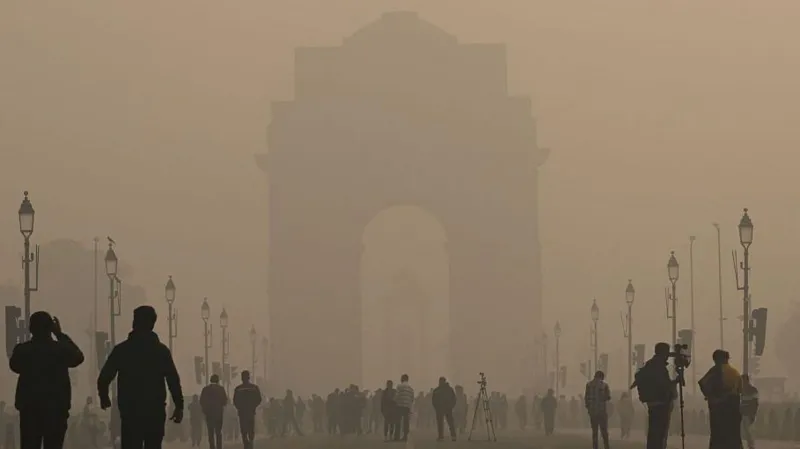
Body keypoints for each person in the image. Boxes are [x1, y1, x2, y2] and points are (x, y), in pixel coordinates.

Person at [98, 305, 184, 449]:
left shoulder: (122, 350)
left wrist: (104, 396)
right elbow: (173, 380)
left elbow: (104, 377)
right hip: (154, 409)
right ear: (152, 324)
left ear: (134, 323)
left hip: (130, 410)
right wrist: (179, 405)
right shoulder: (161, 351)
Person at [10, 312, 84, 449]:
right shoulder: (60, 350)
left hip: (30, 409)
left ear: (31, 328)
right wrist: (60, 335)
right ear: (51, 328)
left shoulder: (23, 350)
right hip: (56, 409)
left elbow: (14, 366)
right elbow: (78, 357)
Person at [633, 342, 676, 449]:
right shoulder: (659, 366)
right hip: (661, 404)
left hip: (652, 403)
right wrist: (675, 382)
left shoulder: (650, 364)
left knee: (654, 433)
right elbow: (664, 384)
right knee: (659, 434)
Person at [699, 349, 742, 449]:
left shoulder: (715, 370)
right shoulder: (735, 372)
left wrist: (709, 396)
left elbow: (703, 383)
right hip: (734, 409)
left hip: (718, 408)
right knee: (733, 435)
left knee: (718, 436)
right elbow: (740, 390)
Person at [233, 371, 262, 448]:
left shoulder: (238, 389)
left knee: (243, 429)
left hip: (242, 413)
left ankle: (246, 443)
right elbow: (259, 399)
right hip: (251, 412)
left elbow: (235, 401)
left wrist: (239, 407)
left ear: (242, 378)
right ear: (249, 377)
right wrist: (253, 406)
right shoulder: (254, 388)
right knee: (251, 428)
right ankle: (251, 442)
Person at [585, 371, 611, 449]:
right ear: (601, 377)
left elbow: (586, 398)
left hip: (593, 412)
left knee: (595, 431)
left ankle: (595, 447)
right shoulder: (604, 385)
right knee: (604, 431)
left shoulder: (589, 385)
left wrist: (589, 408)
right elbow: (608, 397)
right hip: (602, 411)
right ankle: (606, 446)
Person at [200, 375, 227, 449]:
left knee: (210, 432)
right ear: (218, 380)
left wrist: (205, 411)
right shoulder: (221, 389)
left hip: (209, 414)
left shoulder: (205, 389)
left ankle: (212, 446)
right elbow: (225, 401)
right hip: (218, 414)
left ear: (210, 380)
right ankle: (219, 447)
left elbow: (202, 401)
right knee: (218, 432)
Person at [432, 377, 457, 441]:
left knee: (449, 422)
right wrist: (436, 407)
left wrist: (451, 406)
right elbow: (433, 400)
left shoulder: (439, 390)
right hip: (442, 408)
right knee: (445, 423)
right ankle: (443, 436)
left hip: (446, 408)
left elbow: (454, 399)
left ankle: (451, 436)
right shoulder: (439, 390)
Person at [393, 374, 414, 442]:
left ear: (402, 379)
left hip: (399, 405)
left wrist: (395, 402)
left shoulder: (399, 386)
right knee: (406, 421)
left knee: (398, 421)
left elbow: (397, 395)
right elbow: (412, 398)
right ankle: (405, 436)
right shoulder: (410, 388)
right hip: (407, 406)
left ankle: (397, 437)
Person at [740, 374, 759, 449]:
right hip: (743, 414)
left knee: (748, 432)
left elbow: (755, 404)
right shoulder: (742, 390)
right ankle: (750, 446)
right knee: (745, 432)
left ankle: (751, 446)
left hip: (748, 414)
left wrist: (753, 414)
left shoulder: (753, 390)